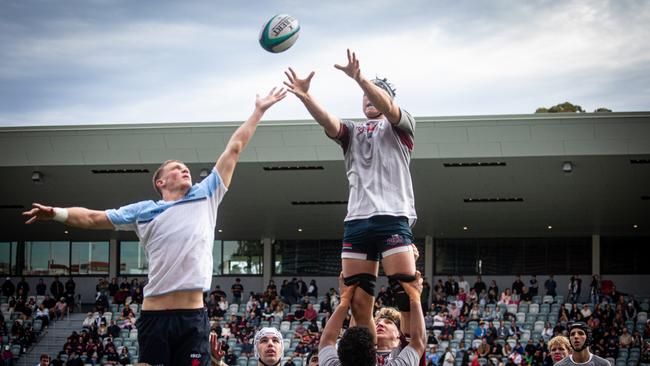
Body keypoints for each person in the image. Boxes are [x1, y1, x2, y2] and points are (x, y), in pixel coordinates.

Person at [22, 88, 287, 366]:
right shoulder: (143, 211)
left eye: (185, 167)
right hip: (155, 316)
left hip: (192, 316)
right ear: (160, 182)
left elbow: (234, 148)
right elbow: (92, 218)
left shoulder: (207, 193)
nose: (184, 169)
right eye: (176, 168)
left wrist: (259, 111)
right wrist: (56, 214)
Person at [284, 49, 418, 342]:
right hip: (357, 221)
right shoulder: (353, 131)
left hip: (392, 217)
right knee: (358, 302)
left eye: (375, 94)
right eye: (364, 95)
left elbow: (388, 106)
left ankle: (411, 357)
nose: (368, 98)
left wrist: (360, 79)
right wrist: (306, 96)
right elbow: (328, 122)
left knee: (405, 293)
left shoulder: (401, 124)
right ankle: (367, 360)